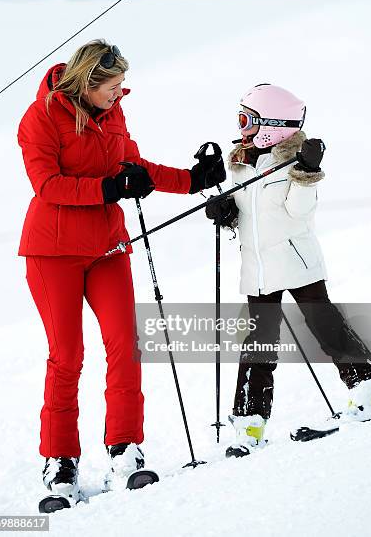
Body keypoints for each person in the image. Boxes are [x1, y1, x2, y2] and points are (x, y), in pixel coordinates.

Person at [17, 39, 225, 498]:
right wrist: (108, 188)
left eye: (122, 85)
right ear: (88, 82)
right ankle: (60, 462)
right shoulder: (41, 117)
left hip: (108, 247)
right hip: (53, 253)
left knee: (125, 346)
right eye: (113, 86)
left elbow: (134, 166)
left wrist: (193, 180)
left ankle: (124, 449)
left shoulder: (113, 114)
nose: (119, 93)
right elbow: (46, 185)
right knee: (68, 355)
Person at [206, 83, 371, 458]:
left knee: (323, 323)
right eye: (240, 119)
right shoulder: (241, 162)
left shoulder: (295, 160)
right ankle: (249, 422)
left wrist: (307, 173)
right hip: (258, 268)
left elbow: (300, 212)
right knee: (259, 342)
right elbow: (249, 214)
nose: (242, 129)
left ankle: (366, 389)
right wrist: (226, 212)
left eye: (247, 120)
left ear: (272, 124)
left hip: (296, 262)